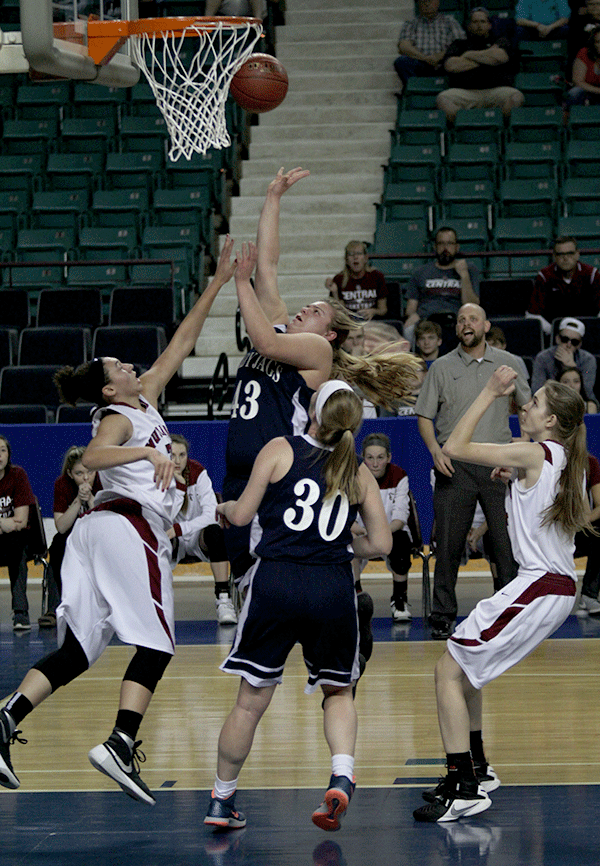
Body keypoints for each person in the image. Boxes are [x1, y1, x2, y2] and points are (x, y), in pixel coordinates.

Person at [0, 238, 237, 803]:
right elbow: (91, 459)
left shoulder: (145, 399)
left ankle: (5, 719)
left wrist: (218, 282)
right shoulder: (117, 420)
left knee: (79, 650)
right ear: (109, 388)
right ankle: (121, 742)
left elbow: (181, 344)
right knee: (158, 644)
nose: (132, 365)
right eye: (119, 366)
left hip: (93, 535)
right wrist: (150, 455)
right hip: (126, 529)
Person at [204, 381, 392, 832]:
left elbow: (243, 515)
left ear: (313, 409)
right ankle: (342, 776)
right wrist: (346, 540)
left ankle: (221, 801)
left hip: (276, 582)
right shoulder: (358, 469)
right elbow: (382, 543)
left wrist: (225, 506)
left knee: (250, 702)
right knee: (339, 691)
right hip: (331, 585)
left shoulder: (279, 448)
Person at [223, 168, 422, 582]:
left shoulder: (317, 352)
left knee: (273, 574)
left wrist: (240, 284)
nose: (303, 310)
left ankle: (348, 603)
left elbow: (264, 344)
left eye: (315, 311)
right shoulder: (280, 326)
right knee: (247, 575)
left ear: (330, 334)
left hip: (280, 470)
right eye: (307, 306)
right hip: (241, 468)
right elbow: (269, 266)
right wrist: (273, 197)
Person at [413, 368, 592, 822]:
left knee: (447, 672)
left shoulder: (535, 452)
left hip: (541, 585)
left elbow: (453, 446)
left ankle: (464, 785)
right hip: (545, 585)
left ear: (551, 421)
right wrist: (513, 476)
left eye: (535, 404)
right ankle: (477, 768)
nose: (526, 406)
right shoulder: (557, 456)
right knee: (464, 670)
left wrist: (490, 392)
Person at [415, 303, 531, 640]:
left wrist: (519, 452)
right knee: (448, 543)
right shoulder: (441, 367)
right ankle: (442, 614)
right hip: (455, 464)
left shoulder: (511, 363)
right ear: (457, 329)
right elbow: (424, 415)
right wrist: (435, 450)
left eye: (473, 319)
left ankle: (510, 613)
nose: (467, 324)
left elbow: (528, 408)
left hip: (499, 462)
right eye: (462, 320)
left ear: (485, 325)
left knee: (505, 545)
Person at [169, 433, 236, 626]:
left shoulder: (198, 472)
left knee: (215, 531)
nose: (177, 460)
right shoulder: (158, 474)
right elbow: (161, 515)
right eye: (172, 455)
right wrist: (180, 487)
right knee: (156, 536)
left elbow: (211, 514)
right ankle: (158, 601)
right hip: (172, 537)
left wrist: (181, 528)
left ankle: (223, 598)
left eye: (182, 455)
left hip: (196, 535)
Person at [353, 433, 414, 622]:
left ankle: (399, 600)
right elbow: (348, 518)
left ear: (389, 457)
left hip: (391, 531)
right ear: (363, 457)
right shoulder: (353, 477)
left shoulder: (399, 476)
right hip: (361, 534)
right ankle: (356, 597)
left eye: (380, 458)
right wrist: (360, 530)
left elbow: (400, 518)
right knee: (347, 543)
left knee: (401, 543)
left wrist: (379, 533)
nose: (375, 463)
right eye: (370, 458)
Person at [39, 446, 100, 629]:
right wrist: (77, 501)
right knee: (57, 545)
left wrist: (90, 500)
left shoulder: (103, 483)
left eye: (90, 472)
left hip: (98, 534)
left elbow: (104, 521)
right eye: (79, 473)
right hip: (71, 535)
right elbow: (61, 526)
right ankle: (54, 608)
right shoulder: (62, 484)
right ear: (70, 474)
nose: (86, 478)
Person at [437, 7, 524, 122]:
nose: (479, 25)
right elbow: (450, 66)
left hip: (496, 90)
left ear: (489, 25)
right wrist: (487, 58)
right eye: (475, 22)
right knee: (442, 99)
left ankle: (496, 123)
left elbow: (500, 57)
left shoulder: (500, 41)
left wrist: (468, 55)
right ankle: (467, 123)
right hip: (466, 92)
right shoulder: (459, 44)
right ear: (469, 26)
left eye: (483, 21)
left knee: (517, 98)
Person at [403, 226, 480, 351]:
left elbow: (472, 305)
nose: (445, 248)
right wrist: (413, 315)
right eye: (441, 244)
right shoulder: (421, 272)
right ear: (435, 247)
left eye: (449, 243)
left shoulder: (469, 269)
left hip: (456, 320)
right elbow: (410, 309)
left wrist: (464, 276)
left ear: (457, 247)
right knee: (408, 329)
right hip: (427, 320)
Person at [526, 237, 600, 335]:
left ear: (578, 254)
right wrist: (554, 332)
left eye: (570, 253)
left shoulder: (591, 274)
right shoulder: (545, 276)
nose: (565, 258)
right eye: (560, 254)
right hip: (556, 335)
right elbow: (532, 315)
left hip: (588, 333)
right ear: (554, 257)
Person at [0, 435, 35, 632]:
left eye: (3, 450)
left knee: (17, 544)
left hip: (14, 541)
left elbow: (20, 521)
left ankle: (20, 613)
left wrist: (7, 525)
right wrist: (5, 523)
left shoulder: (17, 475)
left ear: (8, 455)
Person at [394, 0, 466, 87]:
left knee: (458, 62)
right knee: (401, 62)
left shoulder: (450, 22)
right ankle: (416, 89)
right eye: (423, 1)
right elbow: (404, 46)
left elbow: (461, 45)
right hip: (421, 63)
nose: (427, 4)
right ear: (419, 3)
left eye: (430, 1)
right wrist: (426, 59)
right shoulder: (411, 23)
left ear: (438, 2)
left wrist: (438, 57)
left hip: (443, 63)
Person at [531, 316, 598, 408]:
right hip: (550, 403)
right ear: (557, 339)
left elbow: (586, 390)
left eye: (574, 342)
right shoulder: (543, 358)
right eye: (565, 339)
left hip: (581, 402)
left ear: (579, 344)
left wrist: (571, 367)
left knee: (591, 406)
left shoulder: (588, 360)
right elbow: (537, 390)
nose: (568, 345)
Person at [325, 241, 388, 320]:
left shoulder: (377, 276)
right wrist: (335, 292)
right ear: (346, 260)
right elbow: (339, 313)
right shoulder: (339, 279)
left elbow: (383, 310)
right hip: (350, 324)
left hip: (373, 321)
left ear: (365, 258)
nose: (355, 257)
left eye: (359, 253)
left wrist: (373, 311)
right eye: (351, 254)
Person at [574, 449, 600, 615]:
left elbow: (599, 505)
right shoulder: (544, 460)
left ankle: (589, 595)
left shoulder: (589, 462)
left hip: (578, 531)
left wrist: (584, 521)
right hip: (550, 531)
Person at [565, 25, 600, 107]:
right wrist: (598, 90)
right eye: (598, 42)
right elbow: (577, 81)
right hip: (588, 93)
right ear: (593, 44)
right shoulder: (584, 53)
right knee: (575, 92)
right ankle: (573, 118)